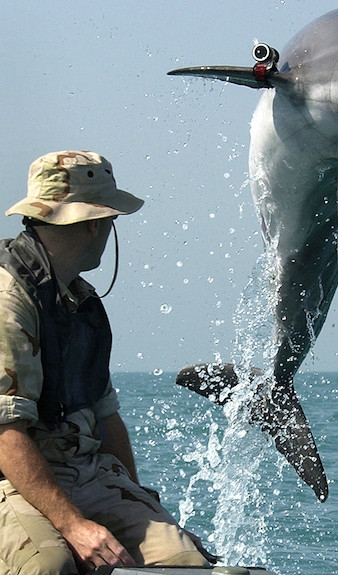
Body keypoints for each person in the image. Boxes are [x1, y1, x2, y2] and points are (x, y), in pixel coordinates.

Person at [0, 151, 210, 575]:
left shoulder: (81, 301)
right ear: (96, 222)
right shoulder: (9, 300)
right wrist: (75, 527)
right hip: (11, 481)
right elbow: (6, 433)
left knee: (185, 564)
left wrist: (147, 508)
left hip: (84, 472)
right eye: (113, 219)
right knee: (50, 566)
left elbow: (105, 416)